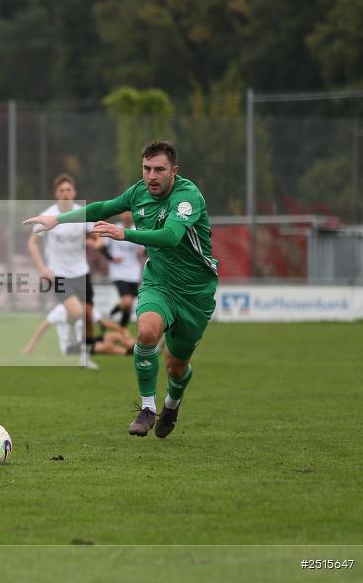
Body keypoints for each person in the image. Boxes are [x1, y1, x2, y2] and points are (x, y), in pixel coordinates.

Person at [24, 141, 218, 438]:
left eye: (159, 169)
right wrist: (57, 219)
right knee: (147, 332)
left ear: (174, 171)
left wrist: (123, 233)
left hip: (195, 292)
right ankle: (148, 408)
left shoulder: (187, 197)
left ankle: (172, 403)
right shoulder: (138, 192)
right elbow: (104, 207)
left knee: (176, 366)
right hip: (160, 283)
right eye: (146, 168)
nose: (151, 176)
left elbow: (170, 237)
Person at [27, 173, 98, 368]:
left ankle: (84, 357)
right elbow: (32, 243)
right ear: (56, 194)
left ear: (74, 192)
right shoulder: (48, 216)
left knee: (88, 314)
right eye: (61, 191)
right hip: (57, 273)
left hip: (81, 271)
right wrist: (42, 268)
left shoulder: (82, 213)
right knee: (77, 312)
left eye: (68, 190)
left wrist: (96, 243)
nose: (65, 194)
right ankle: (68, 327)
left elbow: (97, 235)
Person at [103, 211, 145, 328]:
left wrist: (142, 251)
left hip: (133, 271)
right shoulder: (113, 228)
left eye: (129, 213)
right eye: (124, 213)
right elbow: (102, 248)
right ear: (120, 215)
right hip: (118, 271)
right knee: (126, 301)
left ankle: (121, 329)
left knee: (129, 304)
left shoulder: (137, 230)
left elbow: (144, 249)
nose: (126, 215)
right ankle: (109, 314)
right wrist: (111, 258)